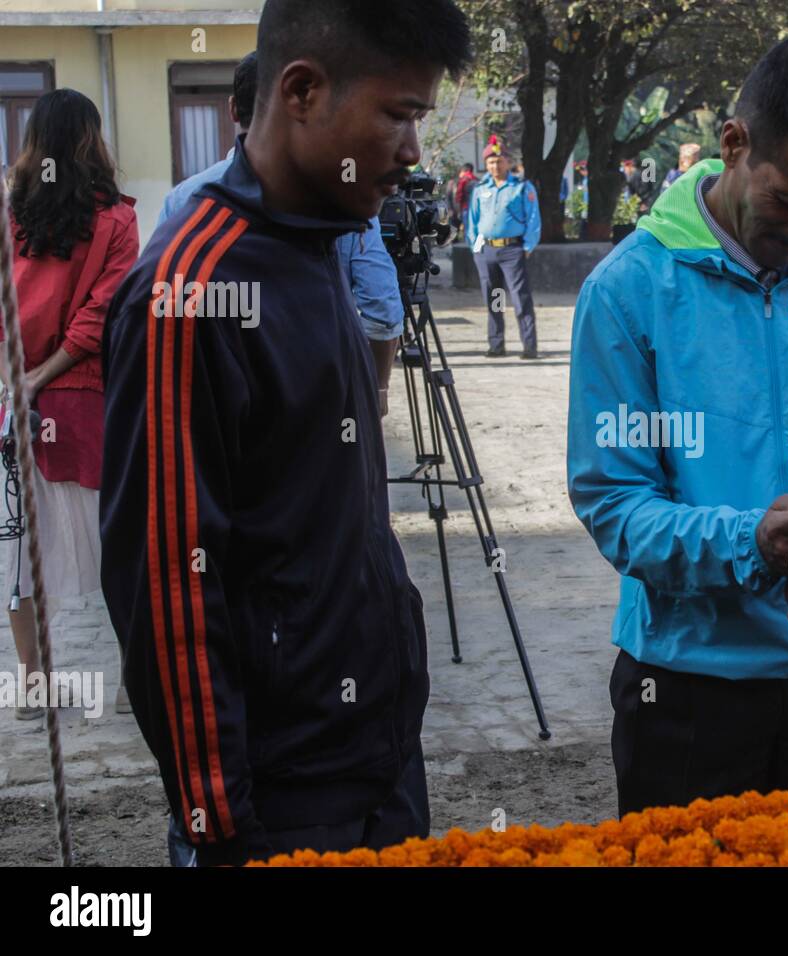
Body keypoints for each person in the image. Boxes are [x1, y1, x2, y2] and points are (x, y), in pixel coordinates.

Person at [99, 0, 472, 867]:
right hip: (277, 805)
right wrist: (222, 827)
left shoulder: (320, 242)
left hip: (376, 763)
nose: (416, 152)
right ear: (302, 90)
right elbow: (168, 594)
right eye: (399, 114)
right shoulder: (189, 291)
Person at [567, 37, 788, 817]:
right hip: (688, 686)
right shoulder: (628, 290)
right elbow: (615, 502)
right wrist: (747, 545)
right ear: (734, 143)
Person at [159, 52, 405, 414]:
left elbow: (166, 309)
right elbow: (381, 306)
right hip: (320, 392)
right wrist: (378, 389)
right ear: (301, 109)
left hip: (214, 400)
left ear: (231, 109)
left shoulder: (184, 198)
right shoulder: (344, 195)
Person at [1, 89, 138, 720]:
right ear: (91, 138)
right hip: (83, 405)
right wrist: (47, 374)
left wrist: (18, 379)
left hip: (10, 404)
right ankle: (134, 680)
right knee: (121, 545)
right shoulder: (117, 219)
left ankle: (33, 683)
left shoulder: (9, 215)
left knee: (17, 548)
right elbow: (101, 317)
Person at [465, 135, 541, 358]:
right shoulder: (480, 189)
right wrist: (475, 247)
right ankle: (496, 345)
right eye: (490, 162)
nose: (494, 166)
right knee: (495, 299)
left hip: (512, 251)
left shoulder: (520, 187)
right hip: (487, 251)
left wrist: (527, 247)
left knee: (520, 298)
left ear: (507, 162)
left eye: (498, 161)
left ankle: (529, 346)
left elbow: (533, 219)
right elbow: (473, 220)